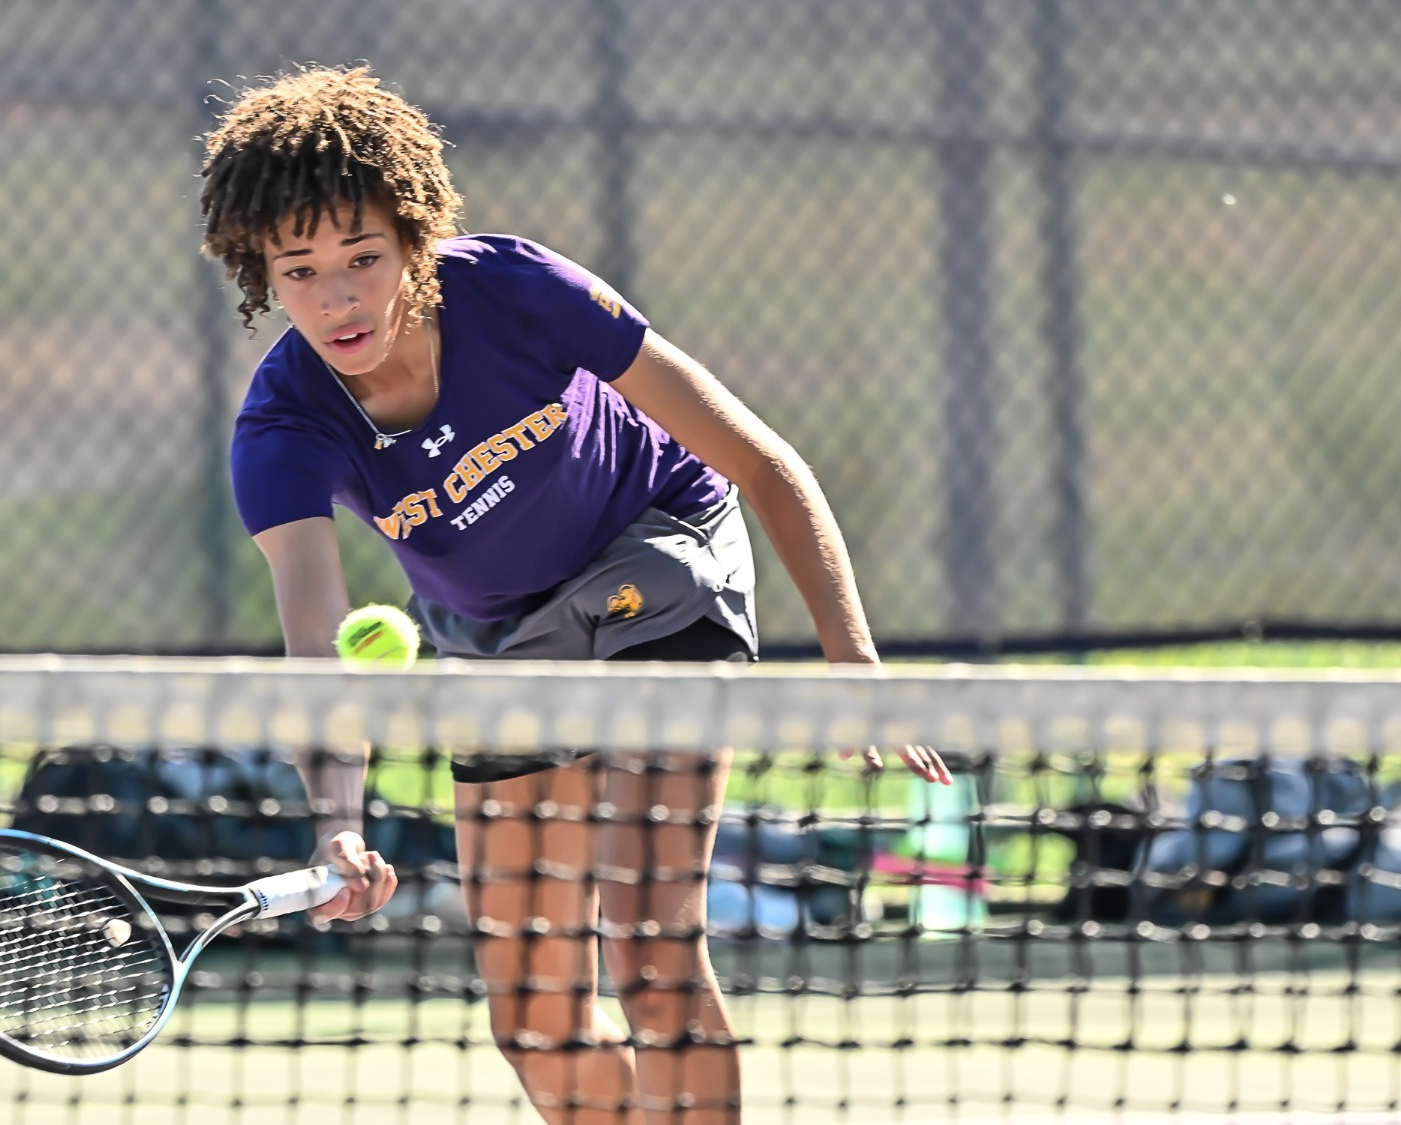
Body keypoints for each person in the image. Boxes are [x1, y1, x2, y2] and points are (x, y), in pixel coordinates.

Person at [198, 66, 951, 1125]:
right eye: (301, 269)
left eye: (363, 258)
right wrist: (336, 823)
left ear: (414, 240)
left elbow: (762, 462)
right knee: (534, 1024)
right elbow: (314, 641)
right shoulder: (280, 430)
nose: (339, 298)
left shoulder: (518, 292)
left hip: (656, 559)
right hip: (499, 639)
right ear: (260, 273)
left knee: (649, 948)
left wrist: (853, 664)